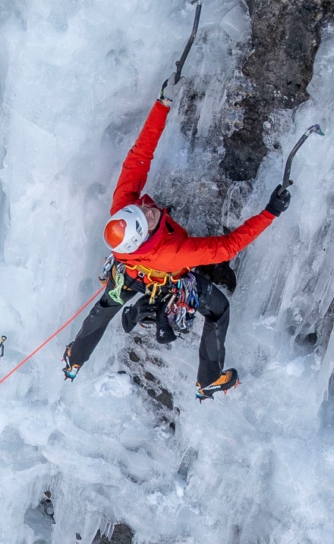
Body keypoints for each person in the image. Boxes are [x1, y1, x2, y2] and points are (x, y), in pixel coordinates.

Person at [64, 91, 292, 400]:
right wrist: (270, 213)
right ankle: (209, 378)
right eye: (146, 219)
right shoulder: (176, 252)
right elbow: (227, 248)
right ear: (142, 237)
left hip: (129, 273)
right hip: (170, 279)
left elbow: (139, 158)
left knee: (105, 307)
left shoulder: (123, 209)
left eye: (142, 211)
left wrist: (162, 104)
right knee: (219, 310)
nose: (149, 210)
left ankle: (75, 357)